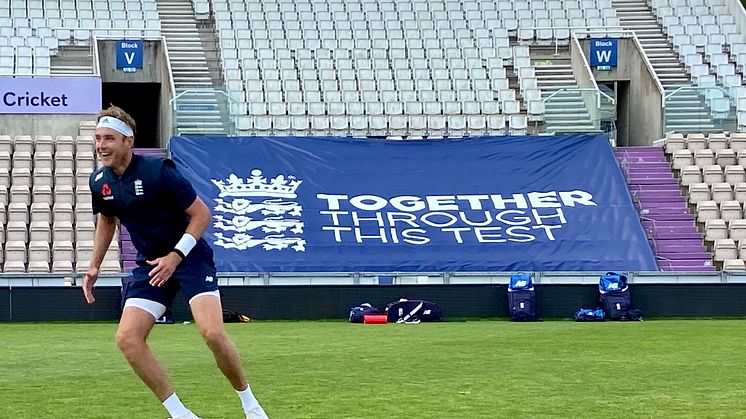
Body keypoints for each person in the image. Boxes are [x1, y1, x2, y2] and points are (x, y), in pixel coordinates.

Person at [82, 105, 269, 419]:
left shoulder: (158, 172)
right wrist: (94, 265)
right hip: (152, 264)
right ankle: (181, 414)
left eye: (109, 139)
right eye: (98, 138)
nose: (101, 145)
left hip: (190, 257)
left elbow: (201, 215)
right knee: (127, 338)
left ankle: (250, 405)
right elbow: (107, 221)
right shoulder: (99, 180)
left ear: (128, 142)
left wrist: (175, 255)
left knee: (211, 333)